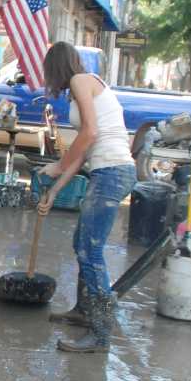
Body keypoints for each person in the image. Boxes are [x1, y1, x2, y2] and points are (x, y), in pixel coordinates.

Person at [37, 42, 136, 353]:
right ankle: (83, 311)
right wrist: (55, 190)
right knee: (82, 244)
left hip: (113, 171)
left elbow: (90, 134)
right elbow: (82, 152)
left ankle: (100, 333)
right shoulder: (81, 87)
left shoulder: (82, 80)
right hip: (105, 169)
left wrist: (58, 165)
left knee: (90, 251)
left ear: (56, 67)